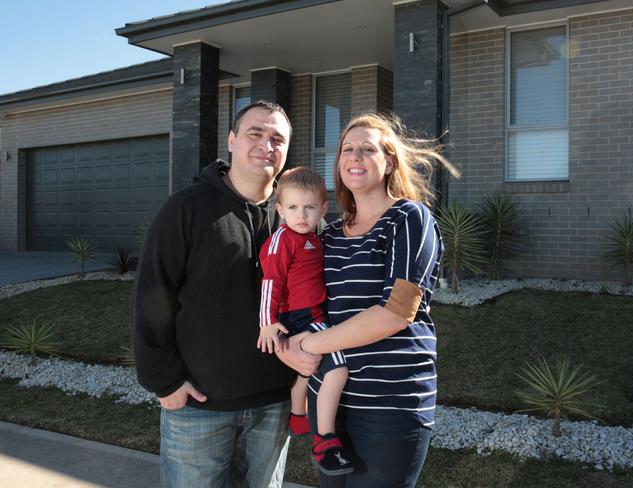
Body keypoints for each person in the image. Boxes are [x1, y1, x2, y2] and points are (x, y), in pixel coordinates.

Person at [132, 101, 321, 488]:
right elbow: (153, 294)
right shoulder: (186, 209)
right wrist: (163, 380)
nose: (266, 145)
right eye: (255, 133)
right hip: (200, 406)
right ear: (232, 140)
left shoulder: (295, 218)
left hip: (273, 403)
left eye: (277, 139)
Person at [297, 113, 458, 488]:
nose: (355, 156)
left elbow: (397, 312)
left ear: (388, 162)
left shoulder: (409, 218)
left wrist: (310, 344)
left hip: (389, 405)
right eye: (347, 150)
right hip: (329, 405)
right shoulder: (329, 234)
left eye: (368, 149)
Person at [257, 167, 352, 476]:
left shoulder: (313, 237)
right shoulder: (282, 240)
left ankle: (298, 414)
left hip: (313, 312)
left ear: (322, 209)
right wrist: (267, 323)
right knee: (337, 368)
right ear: (280, 209)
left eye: (309, 207)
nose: (301, 215)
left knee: (309, 365)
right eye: (293, 208)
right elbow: (271, 281)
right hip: (298, 315)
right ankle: (324, 440)